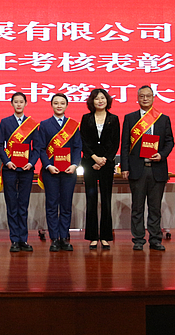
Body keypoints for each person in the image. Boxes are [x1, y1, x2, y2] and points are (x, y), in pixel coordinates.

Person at [120, 85, 174, 251]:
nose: (145, 99)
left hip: (157, 168)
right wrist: (125, 167)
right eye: (142, 96)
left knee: (155, 207)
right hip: (138, 168)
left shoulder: (163, 119)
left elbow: (170, 142)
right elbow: (125, 145)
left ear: (153, 98)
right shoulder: (130, 118)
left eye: (148, 96)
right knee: (137, 207)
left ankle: (155, 239)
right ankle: (138, 239)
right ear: (137, 98)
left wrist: (161, 155)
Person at [35, 93, 82, 252]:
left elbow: (77, 147)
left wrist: (74, 165)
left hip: (69, 172)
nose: (59, 106)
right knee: (52, 205)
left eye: (62, 103)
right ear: (52, 105)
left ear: (67, 105)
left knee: (66, 205)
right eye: (56, 103)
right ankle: (54, 238)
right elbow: (41, 148)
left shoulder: (73, 125)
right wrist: (48, 165)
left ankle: (64, 237)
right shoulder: (44, 124)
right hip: (51, 171)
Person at [0, 92, 40, 252]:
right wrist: (7, 162)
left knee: (23, 205)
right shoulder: (5, 122)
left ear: (26, 103)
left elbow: (37, 147)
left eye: (21, 102)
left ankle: (23, 239)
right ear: (12, 104)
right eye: (16, 102)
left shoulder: (32, 124)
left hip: (26, 170)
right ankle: (14, 240)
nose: (19, 104)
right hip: (10, 169)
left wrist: (31, 162)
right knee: (12, 205)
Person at [79, 88, 120, 250]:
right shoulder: (86, 118)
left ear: (107, 100)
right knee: (91, 199)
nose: (100, 101)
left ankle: (105, 236)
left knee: (106, 200)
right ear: (92, 101)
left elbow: (115, 142)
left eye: (103, 98)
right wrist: (94, 158)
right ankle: (92, 236)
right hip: (90, 163)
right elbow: (83, 141)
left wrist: (104, 159)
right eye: (96, 98)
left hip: (107, 164)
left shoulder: (114, 119)